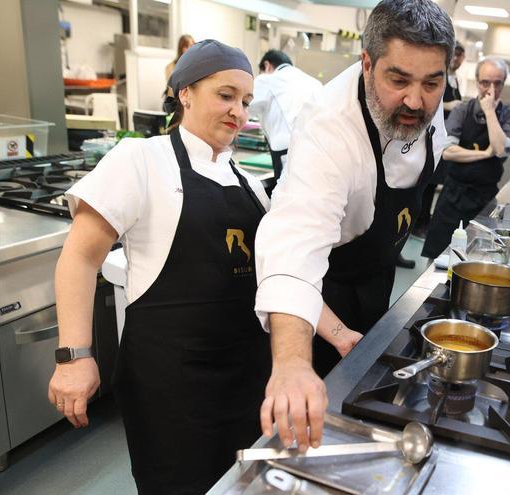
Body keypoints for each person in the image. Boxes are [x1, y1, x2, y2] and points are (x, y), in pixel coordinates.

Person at [46, 40, 358, 494]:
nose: (239, 112)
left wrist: (340, 334)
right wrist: (74, 356)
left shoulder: (251, 186)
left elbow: (281, 277)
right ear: (185, 93)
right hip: (170, 389)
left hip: (245, 380)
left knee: (244, 484)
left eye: (247, 102)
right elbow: (79, 256)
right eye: (226, 95)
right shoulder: (141, 160)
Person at [253, 0, 454, 453]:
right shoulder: (329, 129)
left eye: (432, 83)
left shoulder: (423, 98)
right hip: (322, 292)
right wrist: (290, 365)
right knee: (318, 421)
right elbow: (292, 247)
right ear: (367, 63)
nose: (415, 101)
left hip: (376, 275)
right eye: (398, 80)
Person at [421, 57, 510, 259]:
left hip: (484, 202)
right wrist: (484, 154)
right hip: (452, 198)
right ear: (477, 82)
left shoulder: (509, 116)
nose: (491, 89)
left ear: (503, 84)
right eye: (485, 82)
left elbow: (501, 149)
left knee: (477, 259)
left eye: (497, 83)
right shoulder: (462, 111)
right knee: (437, 258)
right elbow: (447, 151)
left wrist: (490, 112)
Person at [411, 41, 466, 240]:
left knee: (433, 183)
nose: (457, 59)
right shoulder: (437, 77)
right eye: (455, 54)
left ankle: (424, 221)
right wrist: (450, 105)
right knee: (425, 184)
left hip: (442, 138)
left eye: (461, 55)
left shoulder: (455, 80)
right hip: (426, 136)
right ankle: (417, 224)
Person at [248, 49, 322, 182]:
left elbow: (245, 105)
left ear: (267, 65)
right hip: (318, 147)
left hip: (287, 148)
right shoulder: (313, 82)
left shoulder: (268, 79)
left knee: (285, 194)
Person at [164, 34, 194, 98]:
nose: (192, 48)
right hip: (176, 102)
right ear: (182, 49)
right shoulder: (170, 67)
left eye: (193, 45)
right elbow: (171, 91)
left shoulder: (195, 65)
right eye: (189, 46)